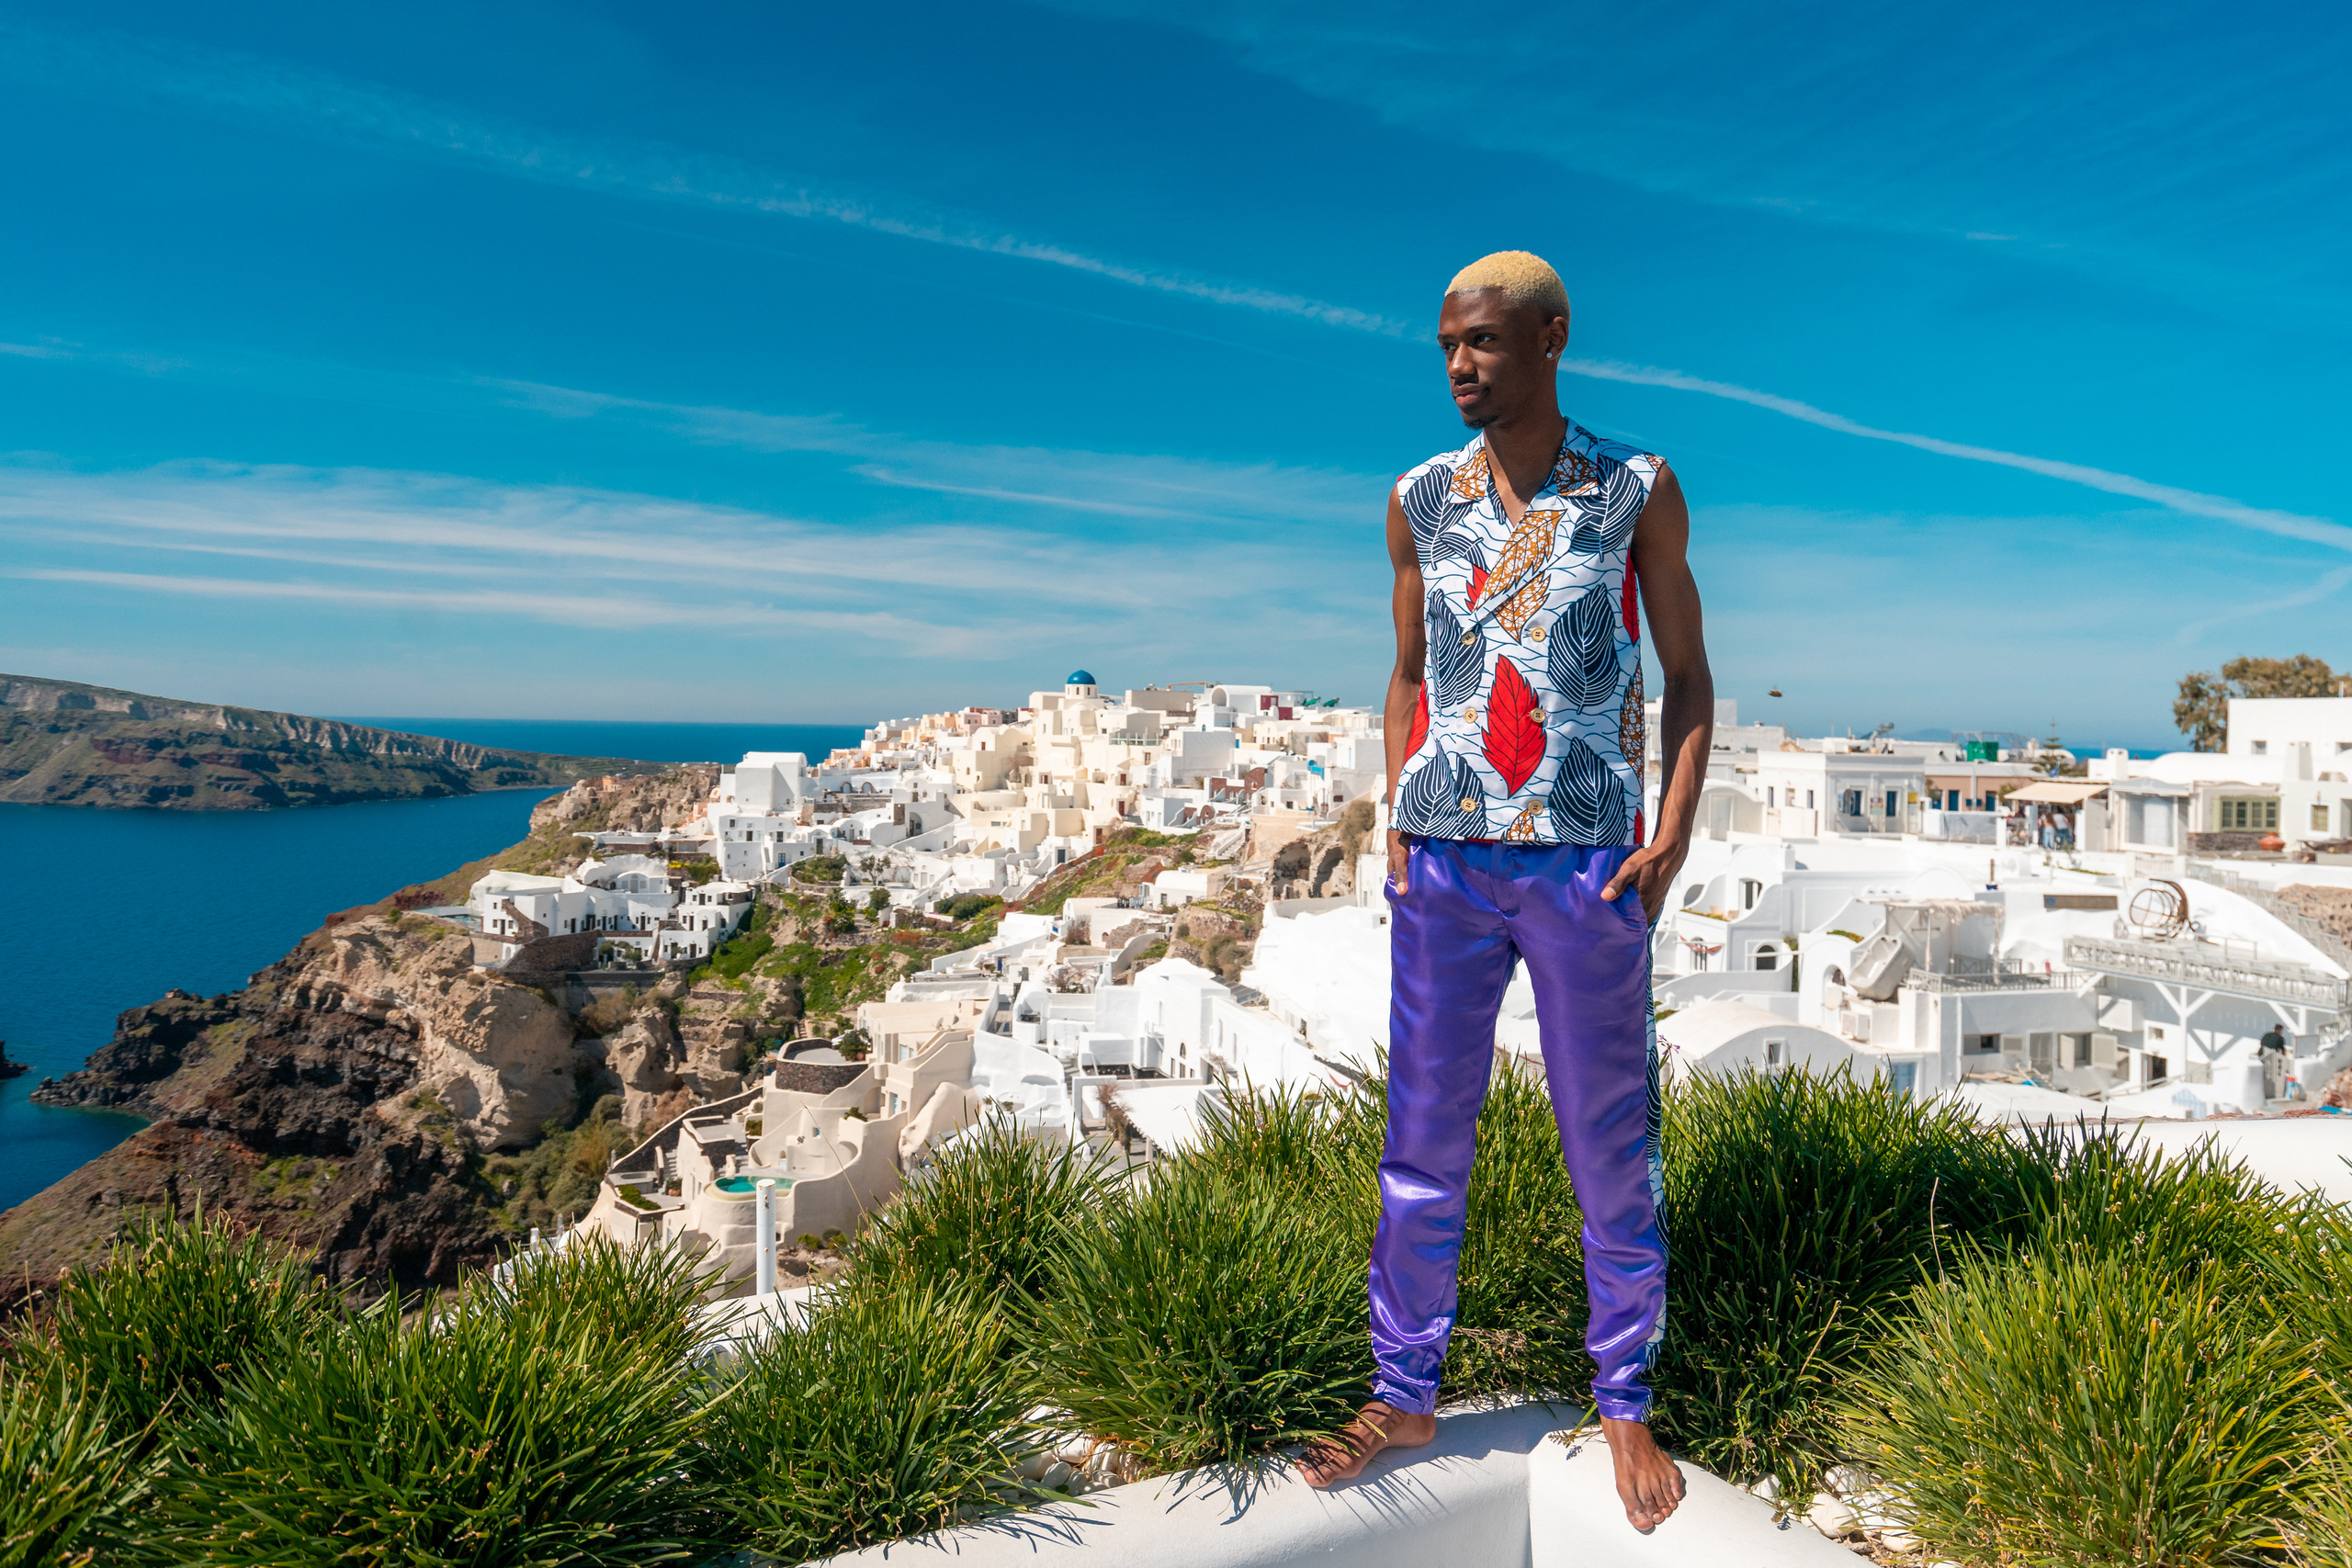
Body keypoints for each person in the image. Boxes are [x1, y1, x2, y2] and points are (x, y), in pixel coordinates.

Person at [1298, 252, 1713, 1535]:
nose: (1458, 366)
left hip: (1590, 860)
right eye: (1444, 347)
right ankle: (1403, 1389)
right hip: (1446, 861)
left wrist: (1675, 835)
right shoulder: (1417, 497)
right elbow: (1407, 672)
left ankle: (1627, 1394)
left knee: (1610, 1139)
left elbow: (1691, 678)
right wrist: (1392, 822)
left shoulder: (1636, 487)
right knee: (1423, 1134)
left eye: (1480, 342)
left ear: (1552, 337)